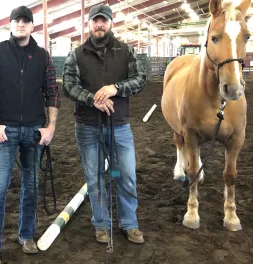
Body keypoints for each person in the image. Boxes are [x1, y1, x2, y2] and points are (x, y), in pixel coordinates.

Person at [0, 5, 60, 264]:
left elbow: (52, 92)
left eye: (26, 21)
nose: (21, 24)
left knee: (31, 188)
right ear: (10, 25)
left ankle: (26, 235)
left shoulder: (43, 56)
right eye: (16, 21)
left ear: (32, 26)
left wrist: (50, 127)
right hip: (5, 132)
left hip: (34, 132)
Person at [62, 3, 147, 245]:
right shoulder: (76, 54)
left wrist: (116, 88)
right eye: (95, 20)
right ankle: (101, 224)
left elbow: (141, 79)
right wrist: (93, 100)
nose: (99, 24)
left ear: (110, 23)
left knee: (127, 175)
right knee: (95, 177)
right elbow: (68, 85)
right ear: (89, 24)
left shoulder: (126, 51)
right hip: (87, 126)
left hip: (119, 125)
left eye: (104, 20)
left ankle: (129, 223)